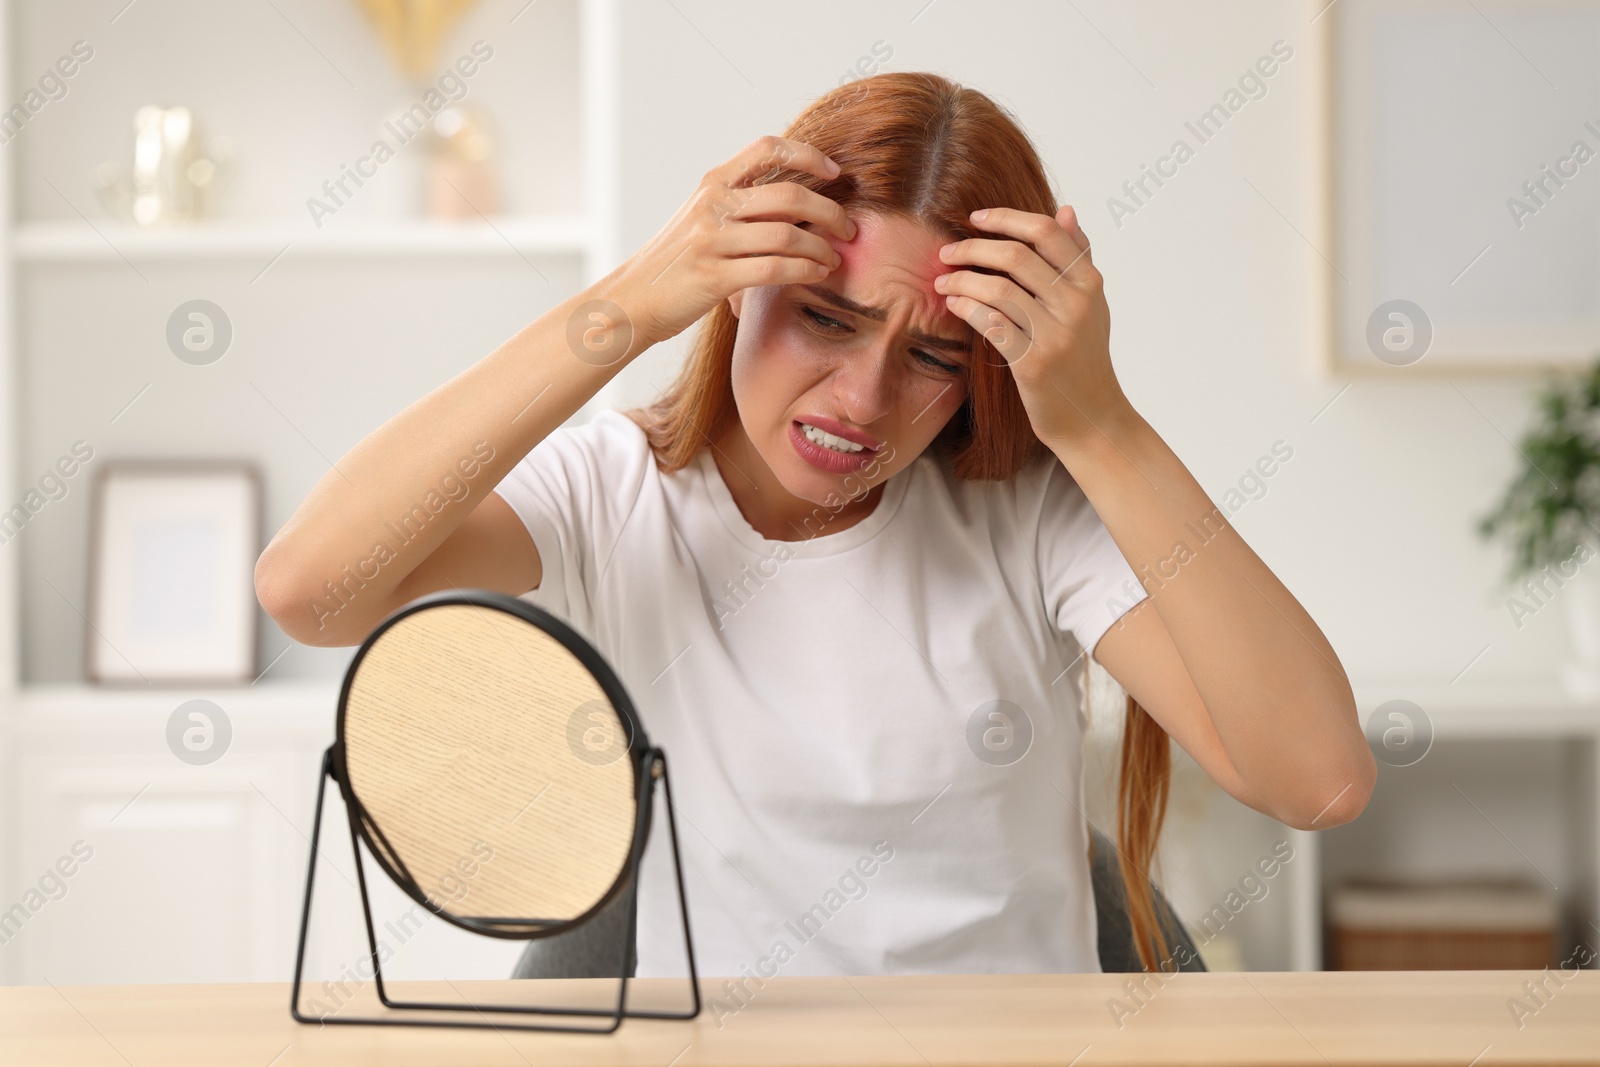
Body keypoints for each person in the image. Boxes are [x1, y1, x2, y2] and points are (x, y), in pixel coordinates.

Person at [255, 72, 1374, 978]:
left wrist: (1102, 422)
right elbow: (311, 588)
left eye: (934, 353)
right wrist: (634, 299)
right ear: (740, 280)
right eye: (824, 319)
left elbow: (1316, 778)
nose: (860, 401)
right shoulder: (617, 489)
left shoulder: (1021, 508)